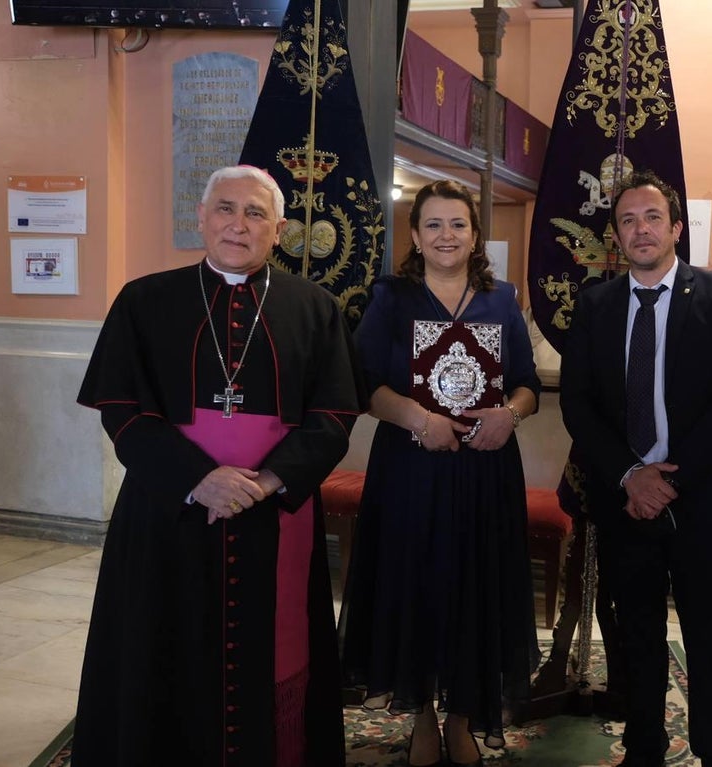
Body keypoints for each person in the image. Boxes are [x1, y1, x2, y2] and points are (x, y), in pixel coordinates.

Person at [74, 165, 361, 767]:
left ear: (279, 230)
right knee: (162, 642)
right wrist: (198, 479)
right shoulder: (144, 300)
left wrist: (266, 482)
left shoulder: (316, 308)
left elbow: (334, 415)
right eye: (225, 209)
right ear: (201, 218)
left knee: (272, 650)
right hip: (168, 510)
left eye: (256, 213)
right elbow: (121, 410)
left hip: (272, 512)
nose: (239, 224)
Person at [560, 170, 712, 767]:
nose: (641, 229)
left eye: (652, 217)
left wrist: (669, 481)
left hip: (704, 498)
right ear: (617, 238)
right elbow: (578, 403)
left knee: (707, 636)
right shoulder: (596, 304)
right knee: (637, 634)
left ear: (676, 227)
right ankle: (643, 748)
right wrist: (631, 475)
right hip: (626, 499)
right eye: (628, 220)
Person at [337, 180, 541, 767]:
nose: (446, 235)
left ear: (475, 235)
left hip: (485, 468)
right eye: (433, 225)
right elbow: (363, 383)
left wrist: (511, 415)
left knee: (475, 586)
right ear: (416, 235)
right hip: (411, 468)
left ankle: (460, 719)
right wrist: (417, 419)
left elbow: (527, 384)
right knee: (416, 584)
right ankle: (423, 716)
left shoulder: (502, 299)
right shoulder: (391, 299)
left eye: (457, 224)